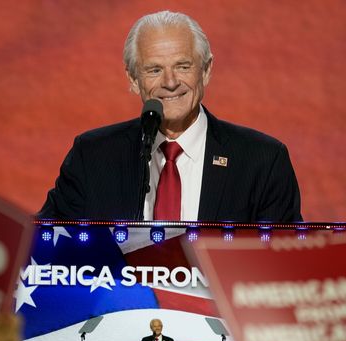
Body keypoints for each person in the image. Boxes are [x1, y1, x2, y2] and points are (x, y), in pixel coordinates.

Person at [38, 10, 302, 222]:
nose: (171, 82)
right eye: (154, 70)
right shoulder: (93, 156)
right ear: (132, 79)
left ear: (206, 70)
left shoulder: (263, 161)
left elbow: (281, 268)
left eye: (183, 66)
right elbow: (41, 245)